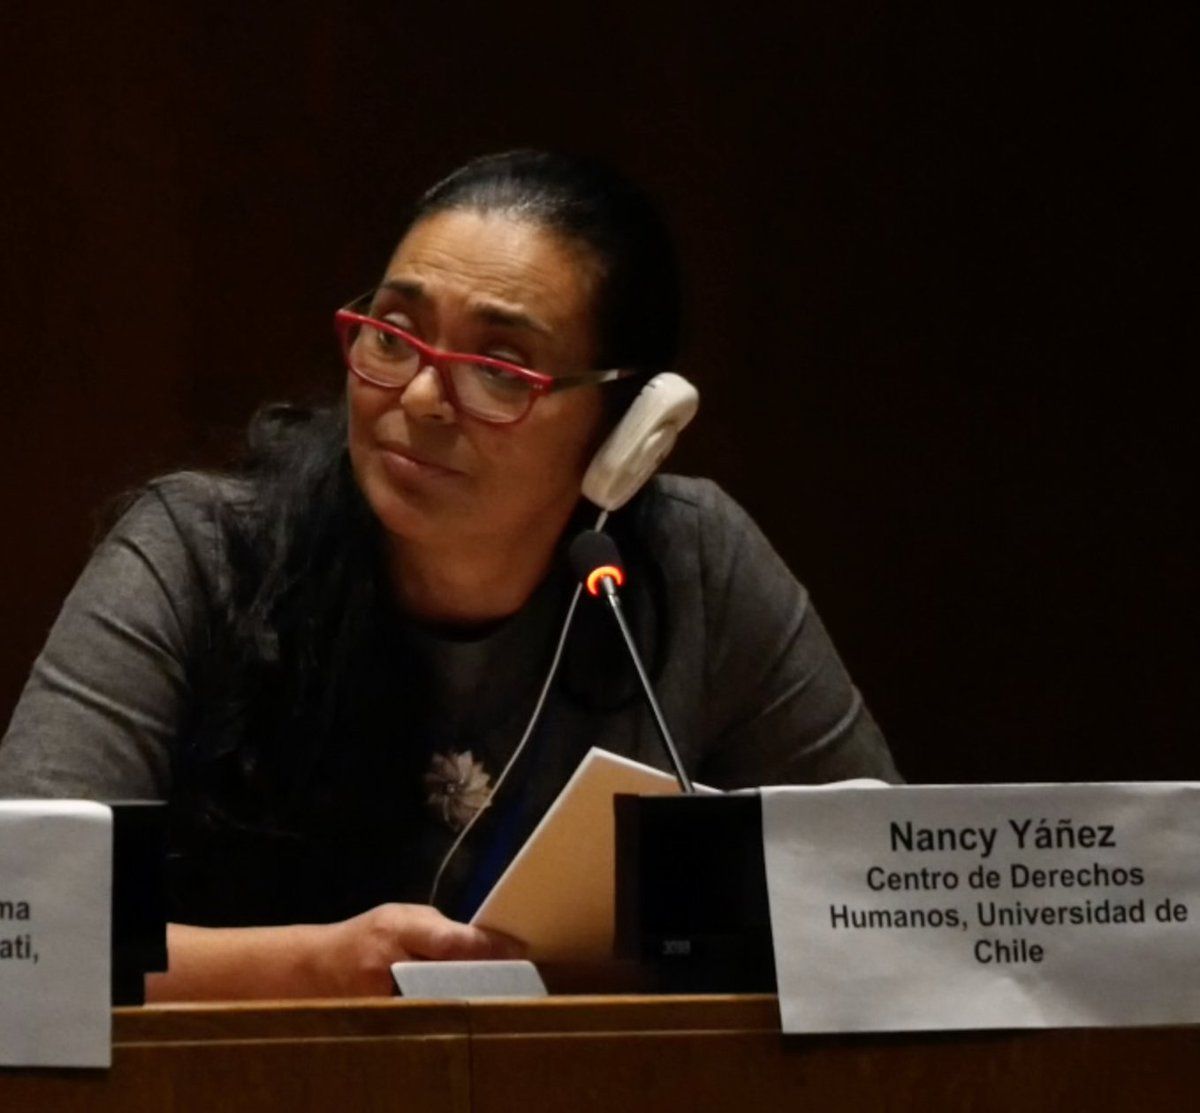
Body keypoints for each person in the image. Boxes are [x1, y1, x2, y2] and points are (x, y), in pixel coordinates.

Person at [0, 150, 899, 999]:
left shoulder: (692, 565)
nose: (423, 397)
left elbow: (890, 910)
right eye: (394, 336)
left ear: (630, 423)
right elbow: (22, 926)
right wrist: (315, 969)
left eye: (499, 368)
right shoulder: (203, 556)